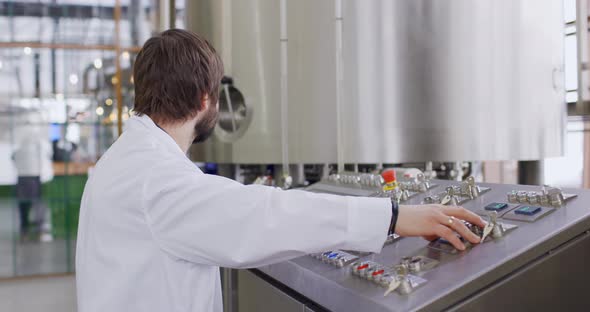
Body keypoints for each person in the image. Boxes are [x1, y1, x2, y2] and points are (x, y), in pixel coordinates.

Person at [76, 29, 485, 312]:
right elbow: (261, 215)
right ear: (206, 99)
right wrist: (394, 216)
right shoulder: (156, 180)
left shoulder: (128, 160)